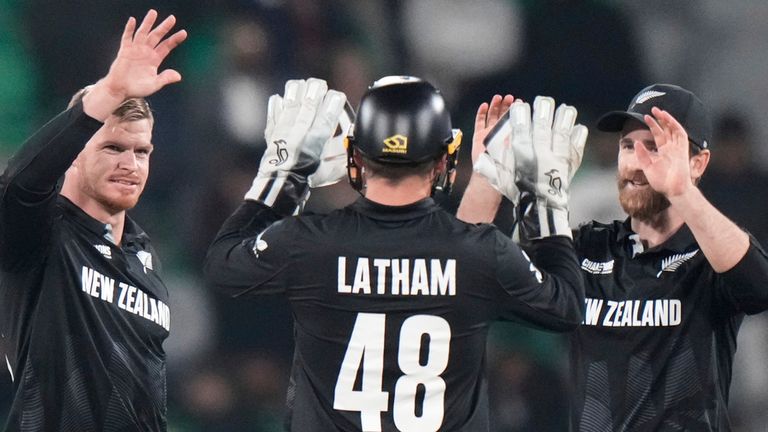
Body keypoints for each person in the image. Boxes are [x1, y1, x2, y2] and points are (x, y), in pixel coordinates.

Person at [204, 76, 586, 431]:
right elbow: (566, 305)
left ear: (354, 155)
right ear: (443, 161)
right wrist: (544, 201)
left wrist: (284, 177)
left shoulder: (307, 244)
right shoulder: (481, 255)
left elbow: (222, 265)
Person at [457, 83, 768, 431]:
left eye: (655, 148)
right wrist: (488, 178)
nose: (636, 163)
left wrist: (681, 191)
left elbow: (760, 287)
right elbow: (466, 276)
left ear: (698, 163)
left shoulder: (706, 257)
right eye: (627, 146)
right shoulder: (587, 248)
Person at [0, 10, 186, 431]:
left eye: (142, 152)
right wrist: (109, 92)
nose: (131, 164)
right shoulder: (41, 232)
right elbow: (18, 185)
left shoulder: (146, 260)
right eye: (113, 148)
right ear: (76, 151)